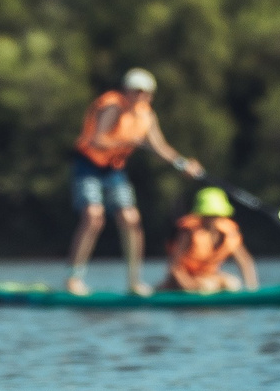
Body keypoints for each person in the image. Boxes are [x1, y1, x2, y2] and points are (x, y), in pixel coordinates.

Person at [67, 67, 202, 296]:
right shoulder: (112, 106)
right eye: (136, 91)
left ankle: (134, 282)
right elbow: (97, 140)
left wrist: (183, 164)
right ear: (126, 91)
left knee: (131, 219)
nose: (140, 97)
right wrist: (128, 139)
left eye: (145, 92)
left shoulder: (146, 115)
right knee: (93, 216)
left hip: (114, 169)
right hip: (88, 166)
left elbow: (160, 148)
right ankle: (74, 279)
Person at [164, 187, 260, 294]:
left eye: (216, 215)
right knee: (208, 286)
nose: (212, 220)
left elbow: (245, 262)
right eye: (208, 215)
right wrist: (190, 286)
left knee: (233, 284)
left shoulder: (229, 233)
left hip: (208, 277)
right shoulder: (189, 233)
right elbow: (174, 266)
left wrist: (252, 289)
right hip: (183, 280)